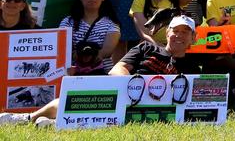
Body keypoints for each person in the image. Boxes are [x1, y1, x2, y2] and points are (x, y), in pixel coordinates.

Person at [0, 15, 199, 127]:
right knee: (76, 98)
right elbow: (119, 67)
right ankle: (27, 118)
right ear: (168, 33)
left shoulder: (192, 67)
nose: (179, 35)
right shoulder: (147, 48)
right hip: (126, 94)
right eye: (175, 30)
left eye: (185, 32)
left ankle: (55, 124)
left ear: (193, 38)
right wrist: (128, 85)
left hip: (155, 109)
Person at [59, 0, 120, 75]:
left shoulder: (112, 24)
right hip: (74, 75)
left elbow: (107, 51)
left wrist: (85, 58)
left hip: (103, 74)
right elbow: (63, 49)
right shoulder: (67, 22)